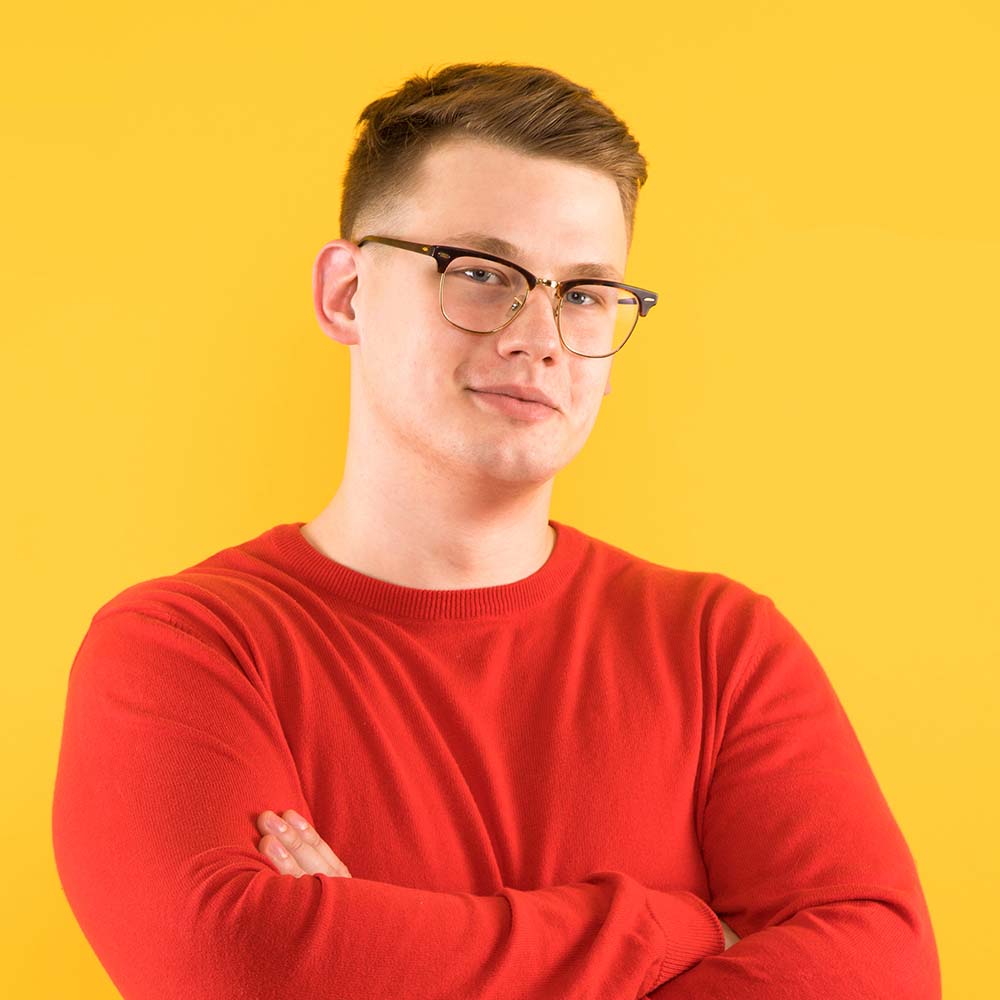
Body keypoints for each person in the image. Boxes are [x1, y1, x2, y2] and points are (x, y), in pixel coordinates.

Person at [51, 62, 940, 998]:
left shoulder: (722, 647)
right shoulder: (183, 648)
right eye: (480, 274)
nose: (540, 336)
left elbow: (884, 969)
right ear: (346, 293)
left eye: (586, 293)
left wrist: (372, 951)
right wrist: (670, 931)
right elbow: (241, 961)